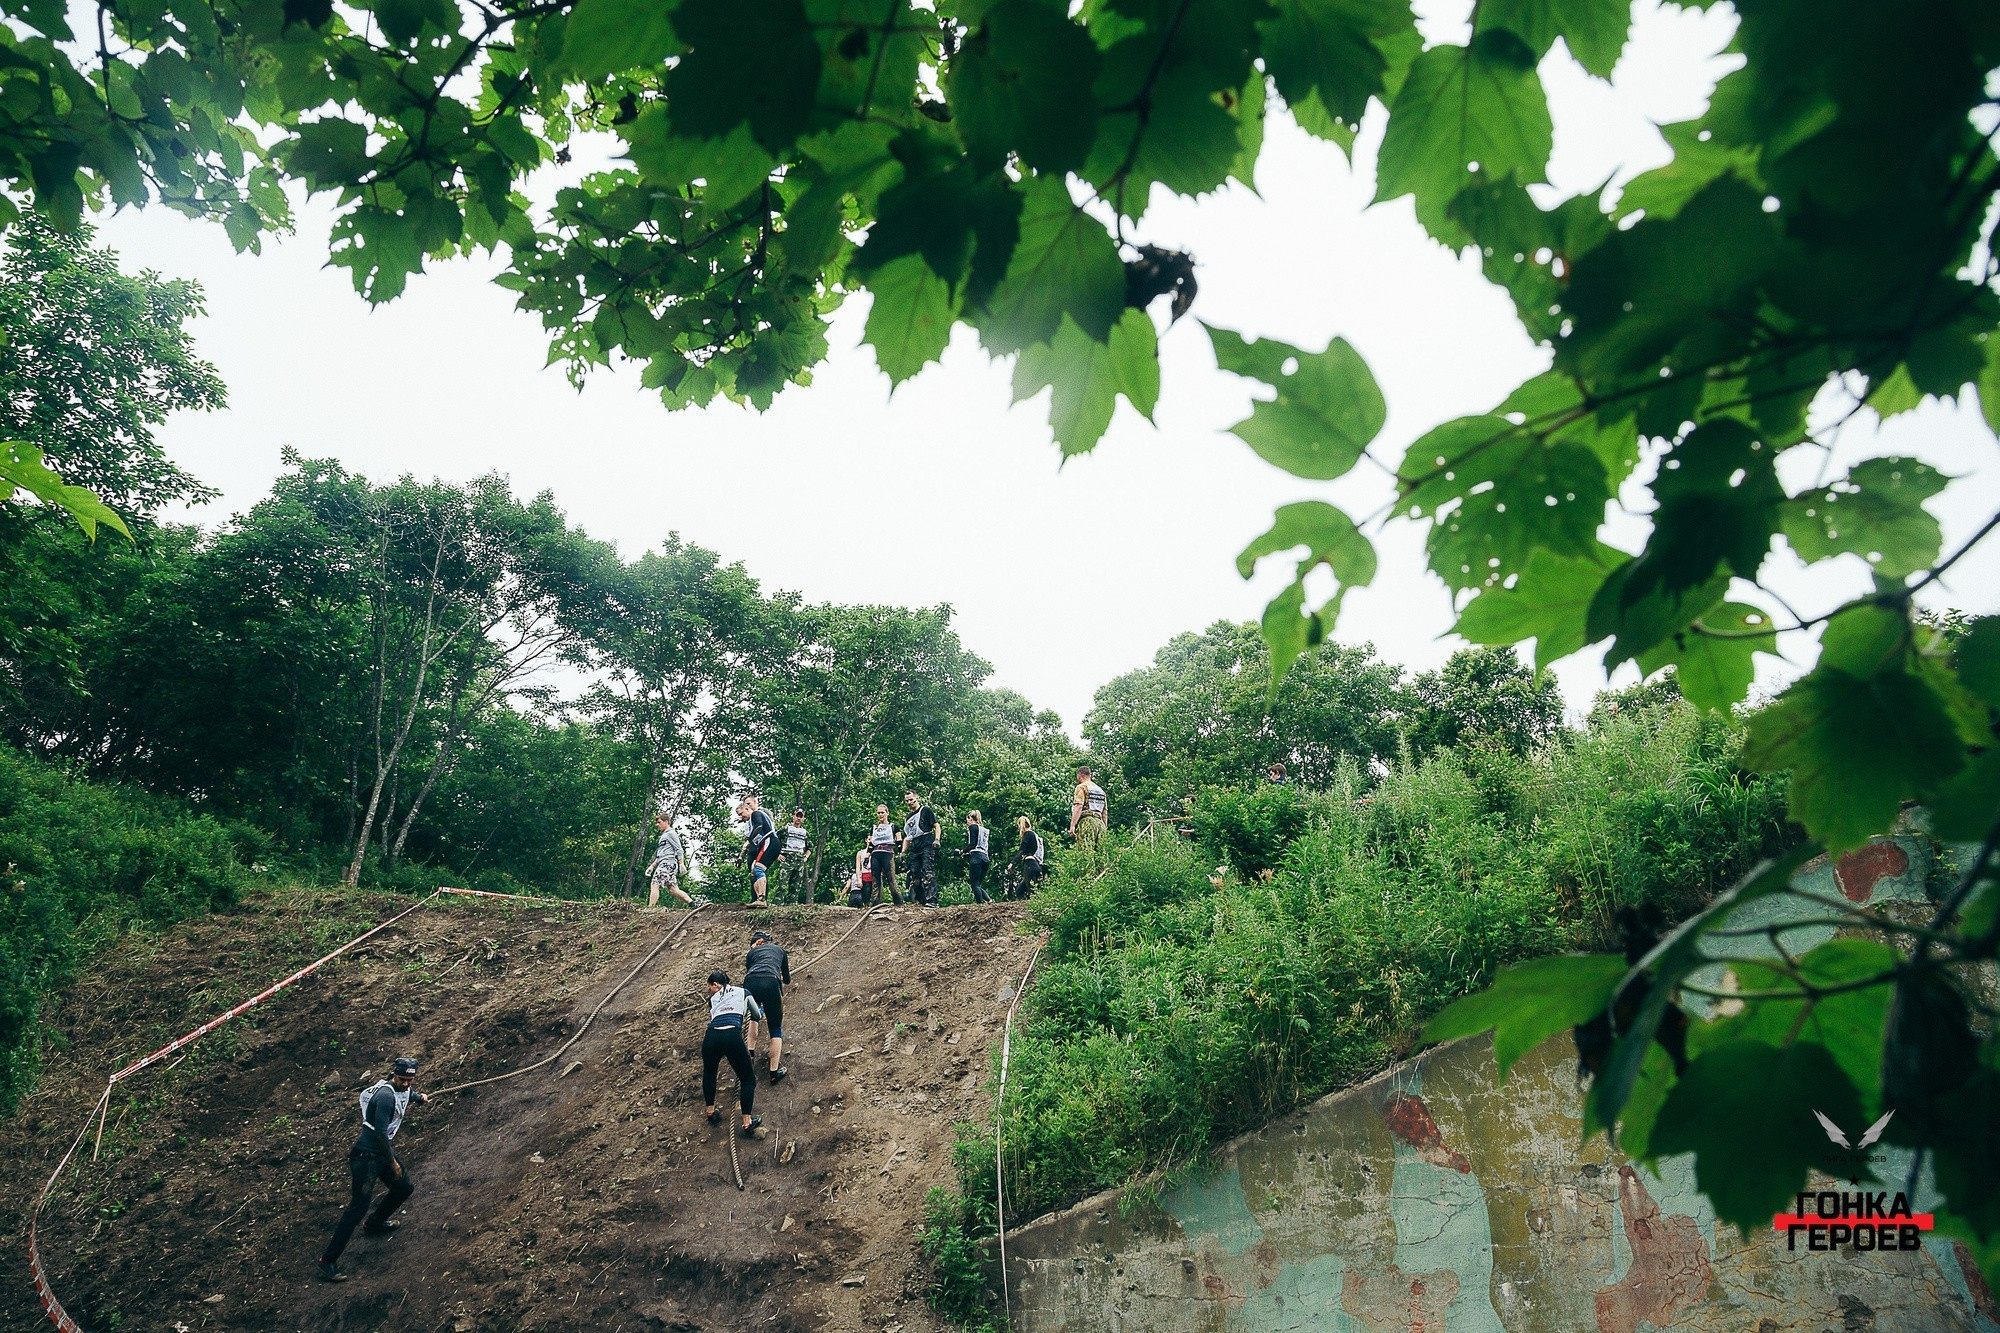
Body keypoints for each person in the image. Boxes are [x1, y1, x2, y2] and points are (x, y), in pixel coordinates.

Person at [318, 1057, 428, 1282]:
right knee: (357, 1207)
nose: (406, 1084)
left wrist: (419, 1097)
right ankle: (327, 1261)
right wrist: (393, 1163)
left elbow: (407, 1095)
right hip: (366, 1157)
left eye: (410, 1080)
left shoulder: (403, 1088)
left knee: (404, 1188)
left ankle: (375, 1222)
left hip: (380, 1153)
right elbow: (379, 1134)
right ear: (393, 1074)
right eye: (403, 1079)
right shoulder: (386, 1096)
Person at [702, 970, 765, 1137]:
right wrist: (759, 1012)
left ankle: (710, 1111)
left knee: (709, 1071)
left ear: (715, 985)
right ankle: (747, 1122)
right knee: (747, 1078)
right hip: (731, 1035)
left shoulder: (713, 999)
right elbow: (757, 1015)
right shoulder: (743, 992)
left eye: (709, 987)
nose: (709, 991)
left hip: (712, 1035)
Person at [743, 929, 791, 1080]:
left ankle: (750, 1054)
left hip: (750, 981)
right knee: (775, 1028)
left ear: (758, 942)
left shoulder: (751, 954)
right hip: (771, 981)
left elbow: (751, 970)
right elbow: (787, 980)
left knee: (754, 1015)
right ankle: (773, 1072)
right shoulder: (780, 950)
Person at [900, 790, 941, 907]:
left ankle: (932, 901)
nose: (909, 802)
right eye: (907, 801)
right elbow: (907, 838)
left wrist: (937, 839)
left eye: (911, 799)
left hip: (926, 842)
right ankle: (920, 900)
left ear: (916, 798)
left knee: (927, 872)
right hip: (914, 845)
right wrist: (903, 852)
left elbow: (936, 825)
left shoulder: (925, 810)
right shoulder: (908, 818)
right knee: (914, 874)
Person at [644, 812, 693, 909]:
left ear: (666, 821)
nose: (658, 825)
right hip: (664, 862)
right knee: (673, 890)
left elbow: (679, 849)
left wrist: (681, 863)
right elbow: (660, 854)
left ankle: (650, 909)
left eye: (659, 822)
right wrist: (652, 866)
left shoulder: (671, 833)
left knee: (655, 884)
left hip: (668, 863)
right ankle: (692, 904)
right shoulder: (663, 836)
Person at [740, 795, 778, 906]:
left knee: (759, 869)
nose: (742, 817)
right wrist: (741, 855)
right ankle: (757, 899)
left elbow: (762, 828)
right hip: (757, 846)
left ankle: (762, 899)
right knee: (753, 873)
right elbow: (748, 839)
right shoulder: (750, 819)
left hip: (767, 842)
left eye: (749, 804)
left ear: (754, 802)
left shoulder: (758, 814)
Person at [867, 805, 903, 906]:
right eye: (878, 813)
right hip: (876, 854)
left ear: (887, 813)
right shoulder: (874, 827)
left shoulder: (893, 826)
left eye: (882, 812)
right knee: (875, 880)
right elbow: (870, 843)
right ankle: (875, 903)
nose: (880, 815)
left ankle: (898, 902)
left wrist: (901, 854)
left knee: (891, 878)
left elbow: (899, 840)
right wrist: (867, 856)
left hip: (888, 853)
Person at [777, 808, 813, 904]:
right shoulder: (785, 829)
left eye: (801, 816)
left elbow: (810, 847)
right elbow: (774, 841)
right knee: (782, 885)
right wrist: (778, 854)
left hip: (799, 861)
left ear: (803, 818)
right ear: (793, 816)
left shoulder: (805, 833)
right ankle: (776, 905)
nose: (798, 818)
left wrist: (805, 857)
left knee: (796, 887)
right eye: (797, 815)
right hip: (787, 859)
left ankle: (791, 906)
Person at [959, 810, 993, 903]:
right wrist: (967, 853)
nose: (967, 822)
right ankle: (989, 900)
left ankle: (979, 904)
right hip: (985, 858)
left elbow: (973, 844)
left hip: (976, 858)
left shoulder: (973, 827)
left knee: (974, 885)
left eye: (967, 820)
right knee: (977, 884)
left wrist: (962, 851)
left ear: (971, 818)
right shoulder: (984, 830)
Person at [1010, 815, 1046, 899]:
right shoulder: (1036, 836)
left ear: (1020, 825)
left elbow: (1022, 850)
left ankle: (1031, 910)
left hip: (1030, 865)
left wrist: (1012, 863)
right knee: (1020, 891)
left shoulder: (1028, 834)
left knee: (1032, 893)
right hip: (1037, 865)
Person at [1069, 767, 1108, 841]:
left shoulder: (1081, 787)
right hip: (1100, 824)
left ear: (1079, 776)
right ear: (1090, 776)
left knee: (1085, 850)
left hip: (1087, 822)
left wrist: (1072, 826)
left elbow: (1078, 806)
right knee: (1100, 851)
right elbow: (1104, 812)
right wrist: (1104, 828)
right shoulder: (1101, 790)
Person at [846, 843, 873, 908]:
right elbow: (858, 867)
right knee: (866, 894)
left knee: (875, 894)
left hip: (874, 875)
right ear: (866, 840)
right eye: (869, 839)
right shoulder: (861, 853)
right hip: (865, 875)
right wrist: (859, 880)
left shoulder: (876, 852)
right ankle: (866, 907)